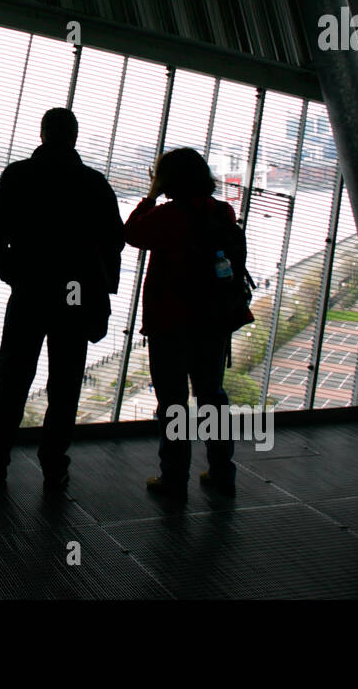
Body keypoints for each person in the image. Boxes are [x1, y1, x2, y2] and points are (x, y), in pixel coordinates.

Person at [0, 108, 123, 491]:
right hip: (74, 293)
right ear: (75, 137)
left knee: (11, 379)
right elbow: (114, 241)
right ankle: (54, 465)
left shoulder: (18, 176)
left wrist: (15, 274)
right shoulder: (94, 183)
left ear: (43, 134)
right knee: (65, 383)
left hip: (31, 290)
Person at [124, 147, 246, 501]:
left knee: (173, 402)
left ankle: (174, 478)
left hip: (172, 322)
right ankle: (223, 471)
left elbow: (131, 234)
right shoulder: (221, 211)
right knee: (212, 396)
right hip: (214, 319)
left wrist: (150, 195)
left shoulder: (167, 216)